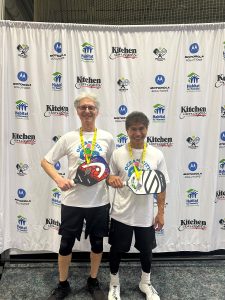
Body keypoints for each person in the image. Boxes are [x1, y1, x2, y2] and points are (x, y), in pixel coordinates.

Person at [41, 92, 115, 300]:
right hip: (72, 201)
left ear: (97, 111)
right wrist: (59, 179)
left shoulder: (108, 138)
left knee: (98, 243)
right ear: (77, 111)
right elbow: (45, 161)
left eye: (91, 107)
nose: (87, 111)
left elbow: (108, 169)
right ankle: (63, 284)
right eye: (83, 107)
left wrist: (111, 179)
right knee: (65, 244)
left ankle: (93, 281)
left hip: (99, 202)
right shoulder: (69, 138)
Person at [107, 111, 169, 300]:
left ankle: (145, 282)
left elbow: (162, 184)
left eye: (141, 128)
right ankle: (114, 284)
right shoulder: (118, 153)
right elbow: (108, 177)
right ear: (127, 130)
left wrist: (160, 212)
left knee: (146, 251)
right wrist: (112, 179)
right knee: (116, 250)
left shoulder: (156, 154)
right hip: (121, 212)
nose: (137, 133)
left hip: (144, 215)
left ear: (146, 129)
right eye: (133, 129)